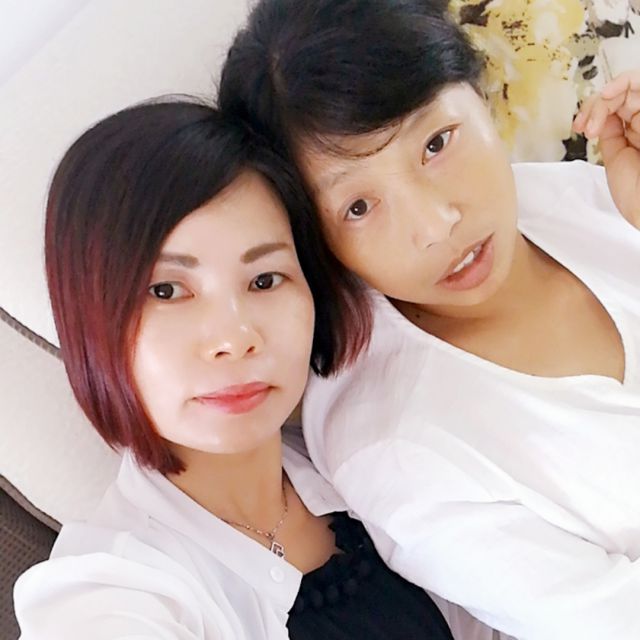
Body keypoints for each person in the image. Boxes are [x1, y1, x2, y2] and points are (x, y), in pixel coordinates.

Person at [217, 1, 640, 638]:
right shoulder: (395, 448)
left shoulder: (572, 196)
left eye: (436, 144)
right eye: (359, 207)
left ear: (479, 90)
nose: (436, 225)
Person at [12, 100, 472, 640]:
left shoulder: (367, 455)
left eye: (264, 280)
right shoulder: (113, 591)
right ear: (90, 322)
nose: (234, 339)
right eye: (167, 291)